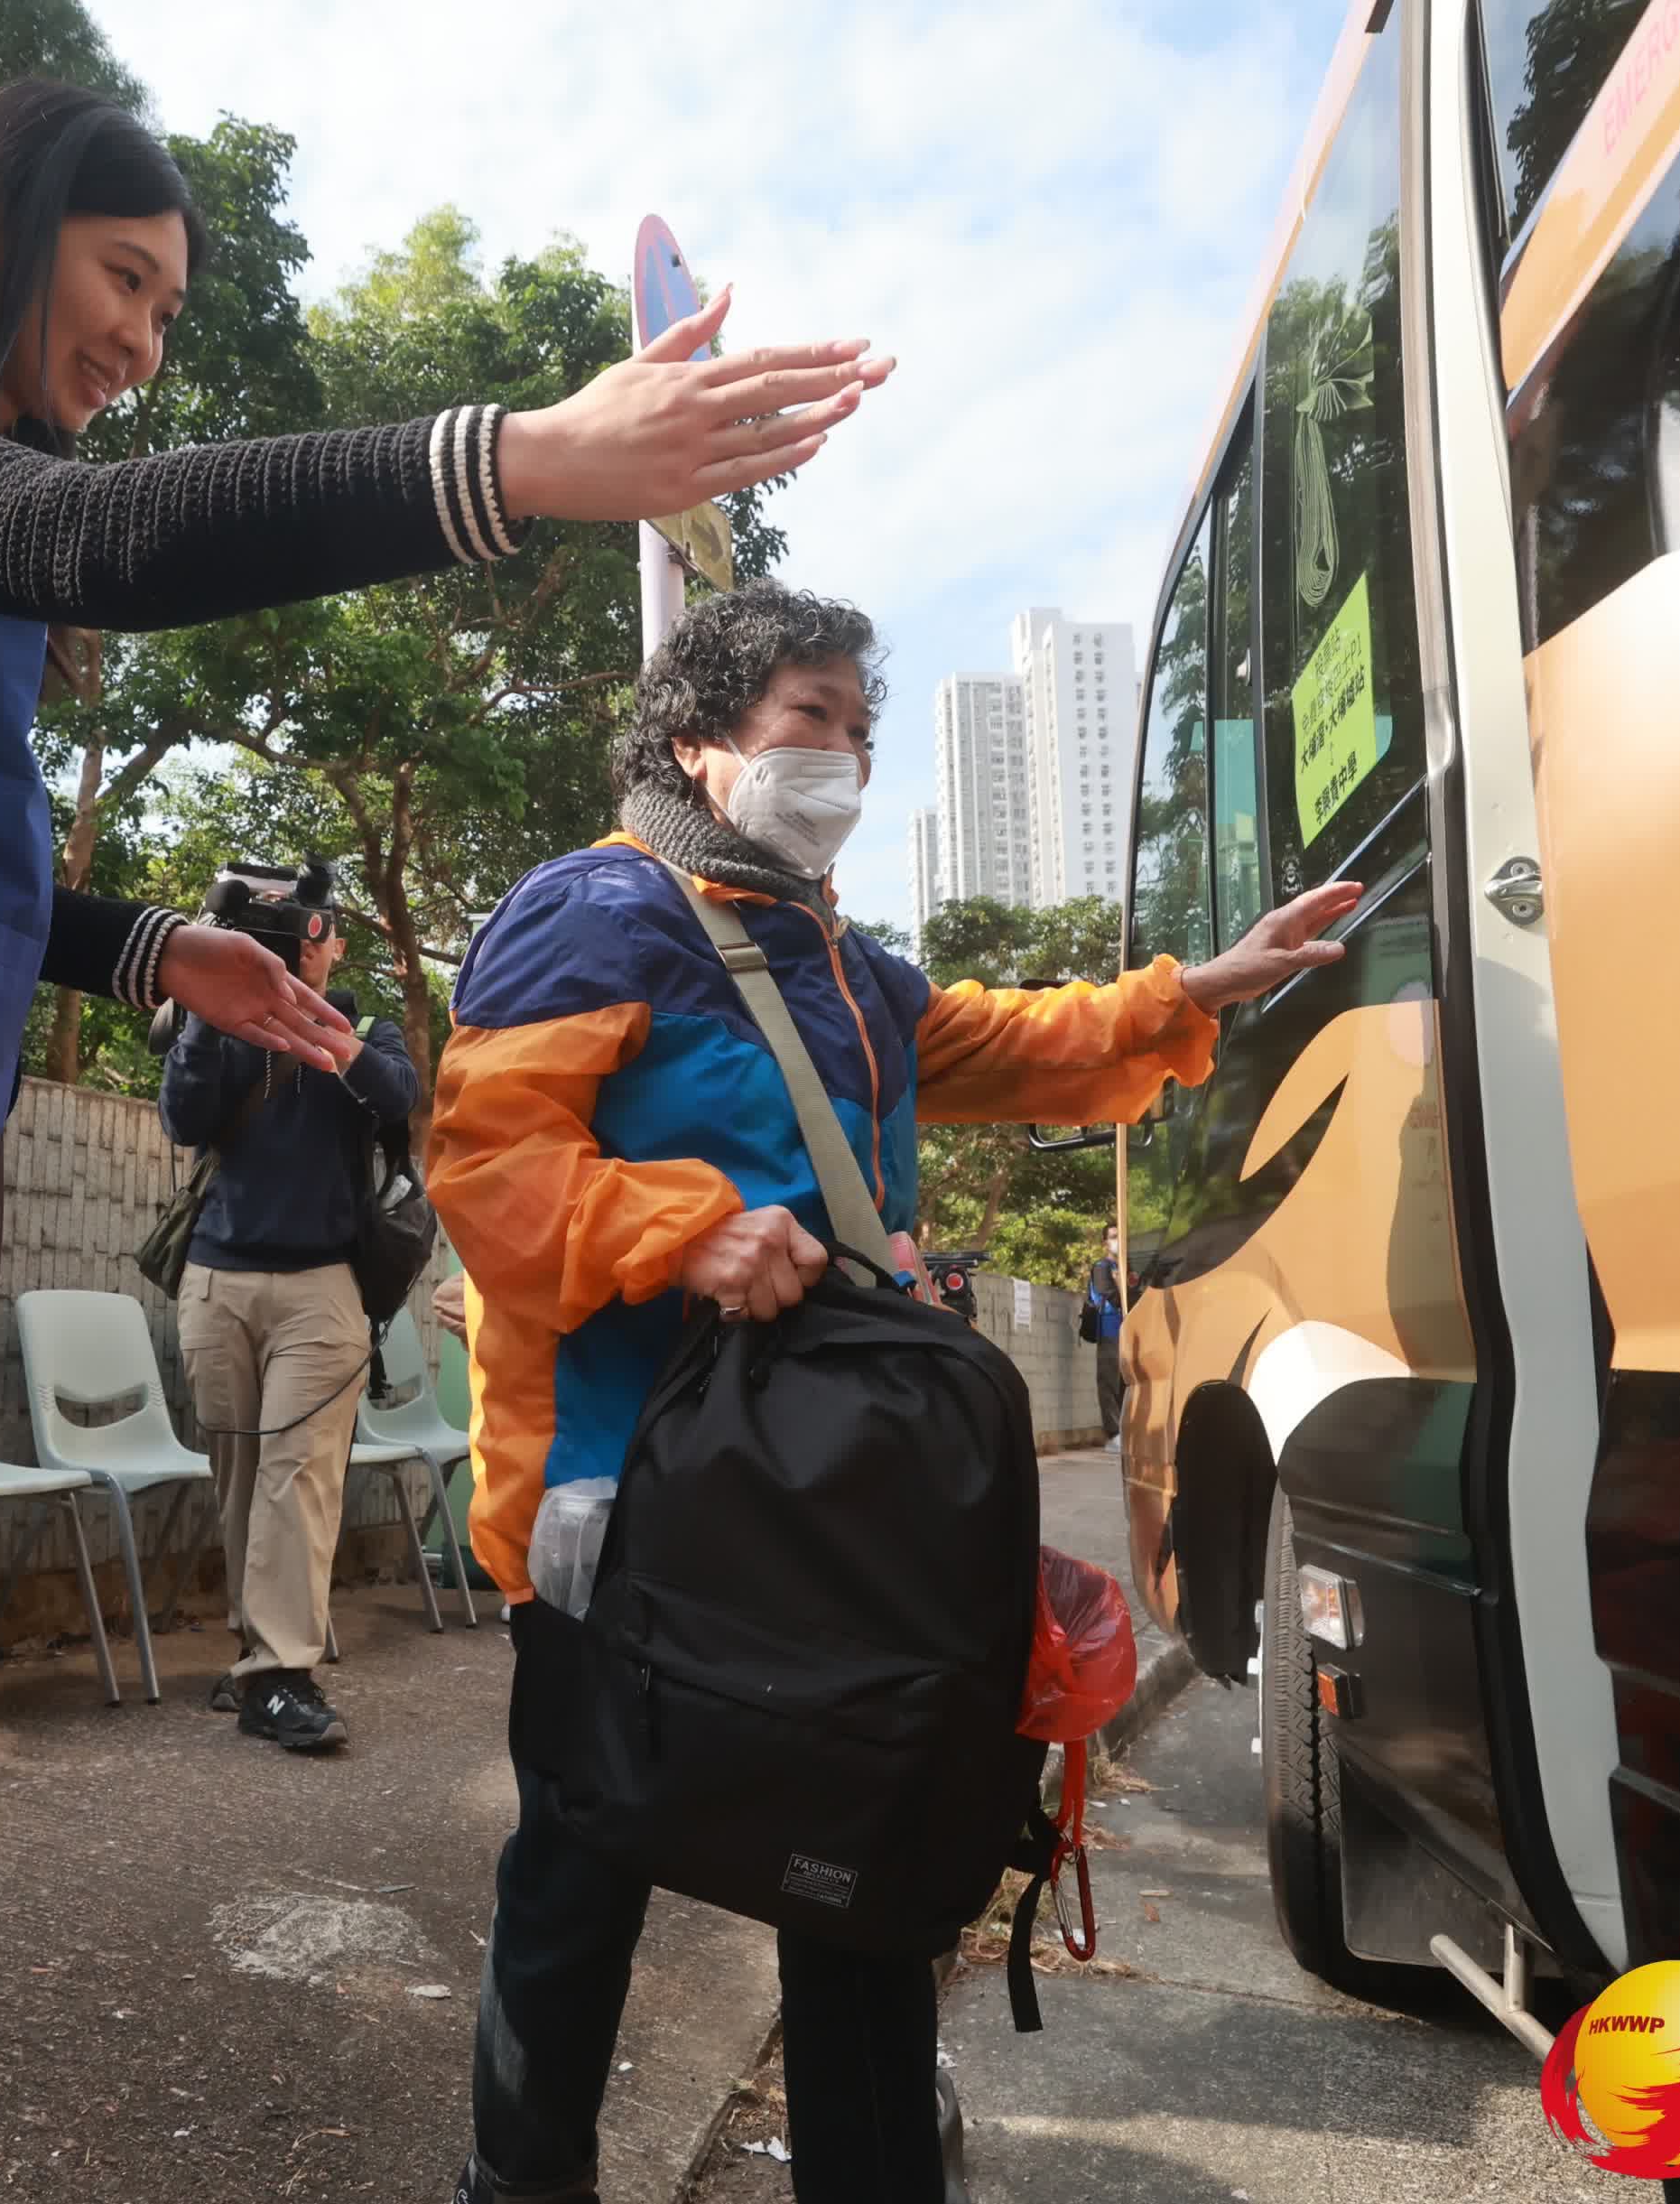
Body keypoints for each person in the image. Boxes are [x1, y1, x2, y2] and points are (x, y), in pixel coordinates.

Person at [0, 79, 888, 2204]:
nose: (146, 337)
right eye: (125, 277)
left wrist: (152, 948)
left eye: (168, 301)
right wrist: (520, 461)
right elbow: (92, 540)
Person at [428, 581, 1358, 2204]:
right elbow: (488, 1161)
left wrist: (1188, 995)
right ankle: (522, 2182)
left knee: (848, 1861)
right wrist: (688, 1227)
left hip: (825, 1495)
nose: (845, 755)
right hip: (621, 1485)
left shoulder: (847, 962)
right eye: (810, 717)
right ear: (698, 737)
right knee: (580, 1863)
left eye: (861, 728)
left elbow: (1013, 1039)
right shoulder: (593, 909)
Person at [162, 886, 419, 1753]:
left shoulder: (365, 1029)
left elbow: (396, 1098)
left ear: (330, 947)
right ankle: (253, 1658)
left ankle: (281, 1674)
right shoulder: (222, 1026)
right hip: (218, 1282)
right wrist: (208, 1008)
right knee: (239, 1475)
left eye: (311, 932)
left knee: (297, 1475)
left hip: (323, 1287)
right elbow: (183, 1118)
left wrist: (320, 1028)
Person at [1080, 1227, 1126, 1444]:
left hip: (1128, 1330)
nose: (1118, 1241)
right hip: (1109, 1329)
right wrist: (1119, 1286)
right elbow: (1111, 1295)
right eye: (1114, 1237)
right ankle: (1114, 1432)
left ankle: (1125, 1429)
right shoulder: (1102, 1268)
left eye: (1120, 1236)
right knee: (1109, 1380)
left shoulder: (1125, 1268)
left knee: (1125, 1382)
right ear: (1105, 1242)